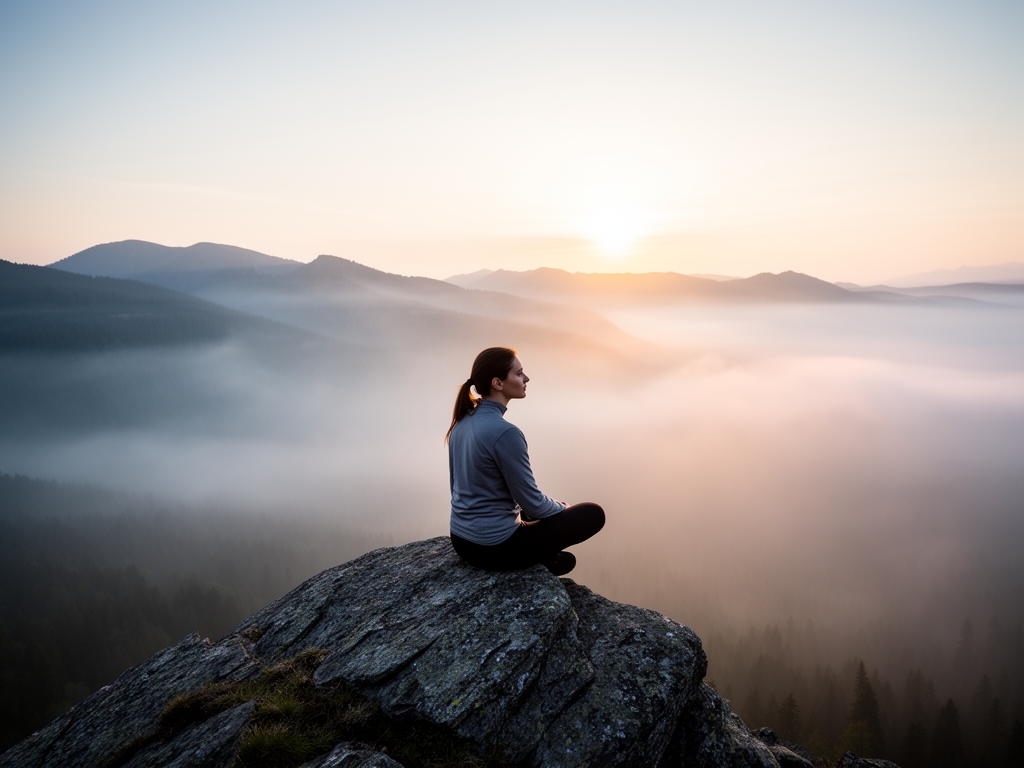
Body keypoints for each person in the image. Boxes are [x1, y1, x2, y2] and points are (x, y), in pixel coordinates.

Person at [446, 347, 605, 576]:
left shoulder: (462, 421)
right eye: (519, 373)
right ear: (497, 383)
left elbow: (459, 486)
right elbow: (533, 505)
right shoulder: (505, 433)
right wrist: (564, 509)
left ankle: (544, 556)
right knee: (593, 514)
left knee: (555, 540)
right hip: (493, 546)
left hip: (461, 539)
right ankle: (540, 556)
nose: (526, 378)